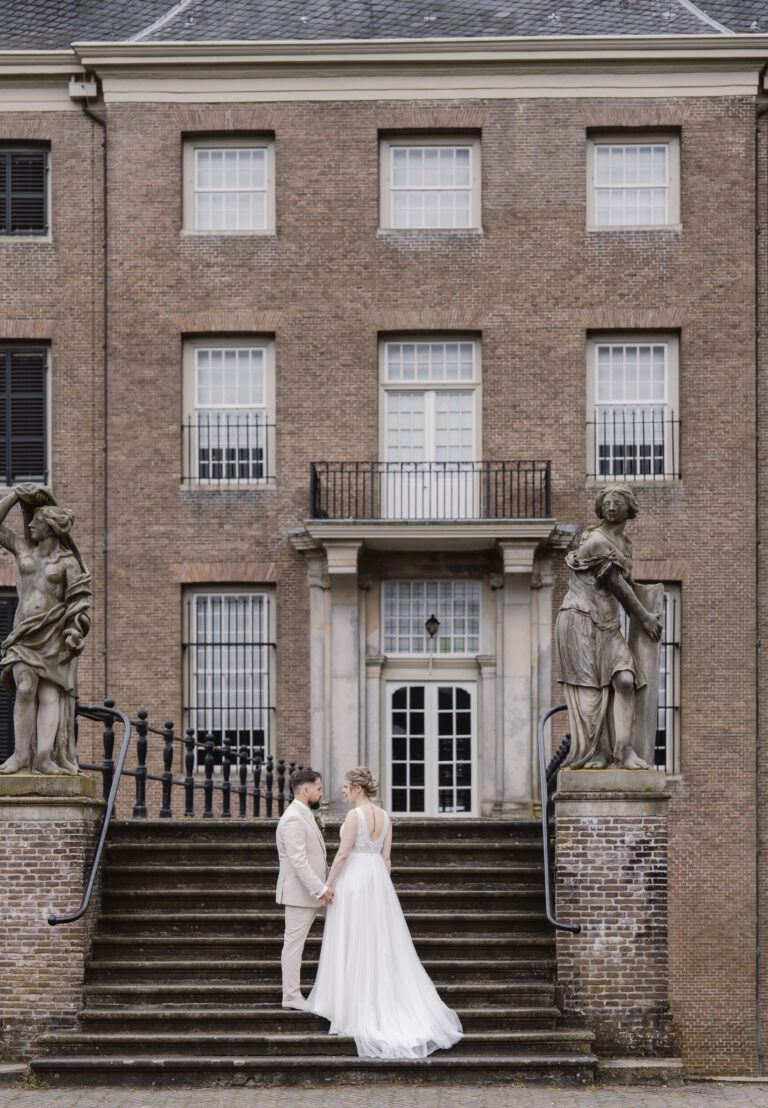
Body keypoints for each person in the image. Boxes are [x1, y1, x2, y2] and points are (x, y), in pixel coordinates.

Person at [306, 766, 463, 1059]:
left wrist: (327, 884)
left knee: (351, 939)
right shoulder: (385, 817)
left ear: (356, 788)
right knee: (378, 943)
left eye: (345, 786)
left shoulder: (354, 816)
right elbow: (386, 858)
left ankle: (349, 1004)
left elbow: (342, 854)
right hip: (377, 878)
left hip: (354, 877)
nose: (342, 790)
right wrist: (381, 889)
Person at [555, 483, 662, 769]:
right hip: (580, 620)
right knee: (595, 690)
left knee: (624, 680)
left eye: (618, 502)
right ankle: (599, 752)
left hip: (607, 622)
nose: (612, 507)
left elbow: (627, 587)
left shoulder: (625, 545)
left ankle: (623, 750)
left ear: (630, 508)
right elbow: (618, 586)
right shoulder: (597, 542)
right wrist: (645, 618)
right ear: (600, 508)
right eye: (607, 502)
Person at [0, 484, 91, 776]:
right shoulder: (23, 549)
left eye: (36, 522)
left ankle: (44, 758)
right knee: (25, 688)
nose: (29, 525)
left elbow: (77, 602)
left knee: (51, 696)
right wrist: (15, 495)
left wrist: (74, 631)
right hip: (25, 635)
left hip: (54, 637)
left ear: (51, 528)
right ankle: (20, 756)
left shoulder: (68, 563)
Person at [275, 767, 334, 1010]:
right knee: (293, 944)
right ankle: (290, 996)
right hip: (300, 893)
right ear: (306, 790)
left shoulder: (304, 814)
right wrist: (320, 889)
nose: (321, 793)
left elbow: (314, 855)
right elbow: (298, 861)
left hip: (312, 890)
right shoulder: (293, 819)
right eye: (319, 789)